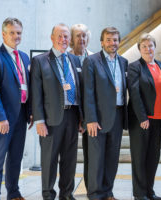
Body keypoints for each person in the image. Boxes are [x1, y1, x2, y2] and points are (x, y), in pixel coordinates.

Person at [31, 23, 83, 200]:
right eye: (60, 36)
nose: (63, 40)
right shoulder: (40, 61)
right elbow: (36, 93)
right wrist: (39, 121)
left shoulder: (75, 60)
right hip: (51, 119)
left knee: (70, 160)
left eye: (67, 36)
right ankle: (48, 195)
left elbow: (79, 90)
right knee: (49, 160)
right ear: (52, 38)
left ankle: (67, 194)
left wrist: (82, 118)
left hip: (72, 116)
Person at [0, 17, 32, 200]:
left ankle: (14, 192)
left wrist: (30, 112)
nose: (16, 36)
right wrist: (1, 118)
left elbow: (27, 87)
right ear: (3, 34)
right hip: (2, 119)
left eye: (18, 32)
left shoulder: (24, 57)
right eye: (12, 32)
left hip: (20, 117)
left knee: (15, 159)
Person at [82, 27, 128, 200]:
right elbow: (88, 92)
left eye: (115, 39)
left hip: (117, 116)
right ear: (102, 42)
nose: (112, 43)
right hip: (98, 118)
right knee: (96, 159)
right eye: (108, 39)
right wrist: (91, 119)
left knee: (111, 158)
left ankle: (108, 192)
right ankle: (94, 194)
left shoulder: (123, 62)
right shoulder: (92, 61)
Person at [127, 33, 161, 200]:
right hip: (142, 121)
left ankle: (149, 191)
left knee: (153, 157)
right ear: (139, 49)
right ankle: (139, 193)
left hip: (160, 119)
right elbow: (135, 93)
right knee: (139, 157)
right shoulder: (134, 67)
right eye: (144, 46)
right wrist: (142, 117)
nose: (148, 49)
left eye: (150, 45)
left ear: (155, 47)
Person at [68, 23, 91, 192]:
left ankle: (91, 187)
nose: (81, 39)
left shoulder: (93, 58)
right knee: (69, 153)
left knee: (91, 153)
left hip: (90, 113)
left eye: (84, 35)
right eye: (77, 35)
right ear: (71, 39)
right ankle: (67, 190)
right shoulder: (66, 57)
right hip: (71, 112)